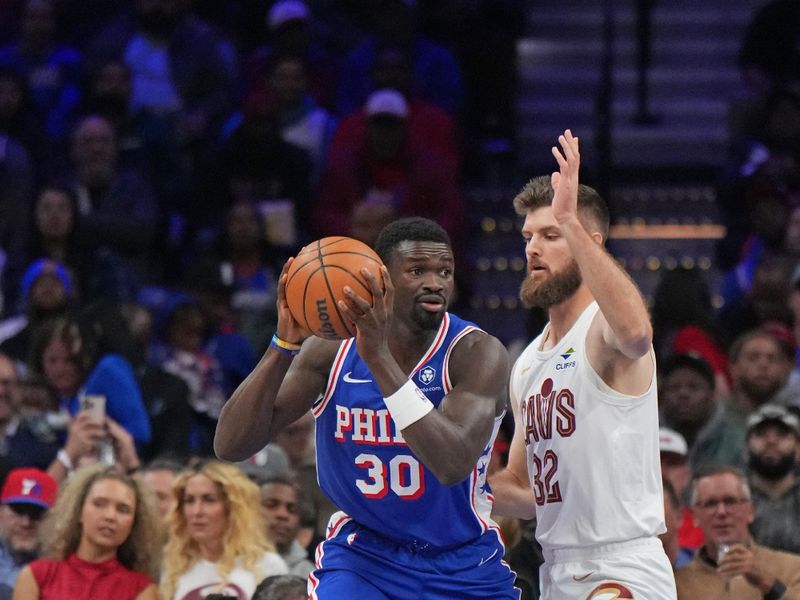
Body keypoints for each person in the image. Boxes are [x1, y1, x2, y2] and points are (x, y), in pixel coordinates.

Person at [215, 216, 518, 598]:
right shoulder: (330, 350)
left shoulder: (475, 353)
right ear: (380, 278)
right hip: (364, 558)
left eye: (445, 270)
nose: (435, 282)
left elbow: (451, 463)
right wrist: (283, 343)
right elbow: (230, 445)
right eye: (417, 270)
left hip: (460, 560)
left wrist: (378, 357)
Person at [489, 130, 676, 598]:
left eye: (550, 235)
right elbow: (523, 489)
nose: (532, 248)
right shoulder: (528, 362)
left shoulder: (601, 330)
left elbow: (636, 334)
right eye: (529, 236)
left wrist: (570, 219)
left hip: (621, 564)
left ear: (587, 241)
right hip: (558, 568)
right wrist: (458, 481)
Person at [12, 464, 161, 600]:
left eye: (123, 509)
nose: (110, 516)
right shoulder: (37, 575)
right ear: (79, 512)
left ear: (134, 523)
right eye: (99, 504)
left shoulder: (142, 590)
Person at [159, 461, 287, 600]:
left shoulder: (267, 565)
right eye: (189, 501)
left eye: (209, 500)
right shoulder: (174, 567)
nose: (197, 511)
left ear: (233, 508)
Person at [675, 466, 800, 598]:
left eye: (730, 501)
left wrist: (767, 582)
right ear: (695, 516)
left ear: (750, 510)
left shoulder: (792, 568)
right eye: (710, 504)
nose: (721, 512)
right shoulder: (678, 585)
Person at [744, 404, 800, 555]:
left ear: (798, 449)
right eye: (761, 434)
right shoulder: (731, 497)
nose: (771, 441)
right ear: (746, 448)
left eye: (782, 434)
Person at [0, 468, 56, 596]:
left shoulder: (60, 570)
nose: (26, 523)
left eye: (36, 514)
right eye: (19, 511)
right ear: (1, 511)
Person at [259, 476, 313, 578]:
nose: (283, 514)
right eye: (271, 504)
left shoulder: (310, 576)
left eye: (292, 509)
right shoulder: (226, 562)